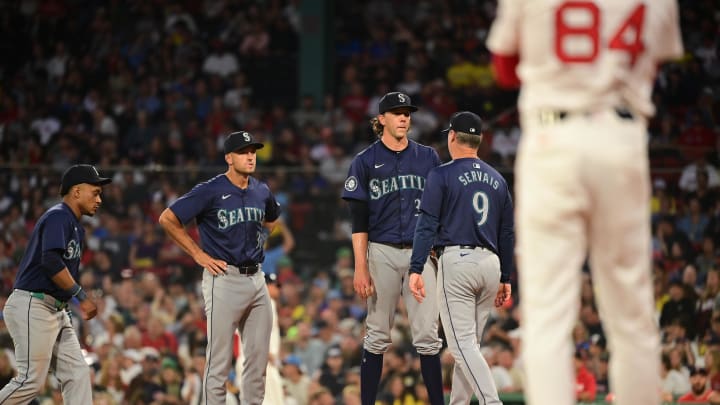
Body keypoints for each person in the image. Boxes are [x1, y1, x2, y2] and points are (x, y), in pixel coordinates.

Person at [487, 1, 684, 405]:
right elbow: (655, 65)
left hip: (552, 138)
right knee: (631, 312)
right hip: (620, 137)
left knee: (547, 314)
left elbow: (504, 69)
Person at [158, 131, 281, 404]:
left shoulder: (261, 190)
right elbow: (168, 219)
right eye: (244, 152)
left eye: (253, 152)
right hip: (224, 278)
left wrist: (262, 238)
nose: (250, 156)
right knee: (219, 361)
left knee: (258, 361)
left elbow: (272, 217)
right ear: (229, 157)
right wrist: (198, 254)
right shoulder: (210, 190)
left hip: (257, 279)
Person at [341, 91, 445, 405]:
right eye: (397, 112)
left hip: (420, 251)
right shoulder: (364, 161)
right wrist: (360, 266)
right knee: (376, 335)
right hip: (381, 251)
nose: (403, 118)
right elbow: (358, 221)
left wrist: (437, 245)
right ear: (382, 119)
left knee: (428, 336)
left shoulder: (428, 157)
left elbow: (439, 208)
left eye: (407, 113)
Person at [408, 111, 514, 404]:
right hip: (491, 264)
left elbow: (427, 223)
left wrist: (416, 267)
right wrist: (506, 276)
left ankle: (492, 402)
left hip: (458, 261)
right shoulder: (498, 179)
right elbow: (507, 234)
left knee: (462, 347)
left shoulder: (441, 174)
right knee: (470, 348)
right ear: (479, 141)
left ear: (452, 136)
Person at [0, 164, 111, 403]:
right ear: (76, 191)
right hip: (33, 304)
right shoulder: (59, 215)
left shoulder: (75, 227)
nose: (99, 199)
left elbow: (59, 273)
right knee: (30, 381)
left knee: (78, 374)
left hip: (54, 309)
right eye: (95, 191)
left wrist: (66, 305)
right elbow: (50, 261)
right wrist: (81, 296)